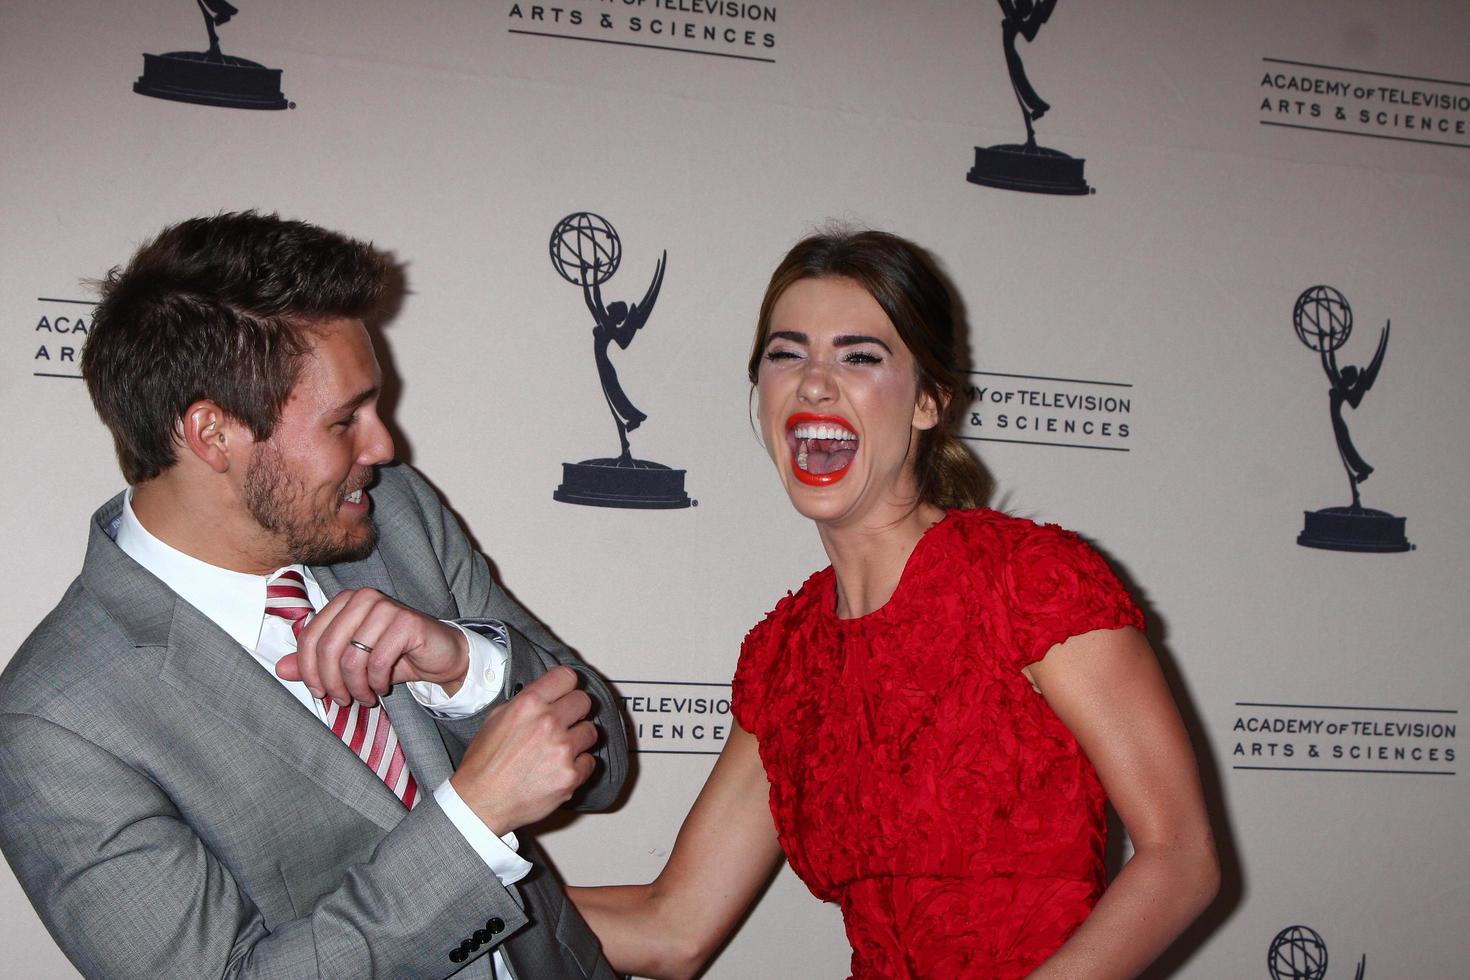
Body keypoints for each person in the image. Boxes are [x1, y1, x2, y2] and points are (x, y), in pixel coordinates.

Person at [567, 229, 1219, 979]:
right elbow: (671, 927)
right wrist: (443, 890)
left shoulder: (1030, 581)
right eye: (787, 354)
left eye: (859, 356)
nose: (815, 383)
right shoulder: (787, 659)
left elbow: (1180, 858)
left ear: (929, 401)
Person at [0, 211, 627, 979]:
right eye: (344, 420)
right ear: (212, 434)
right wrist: (473, 823)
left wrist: (467, 668)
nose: (383, 447)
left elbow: (608, 763)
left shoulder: (392, 516)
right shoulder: (55, 725)